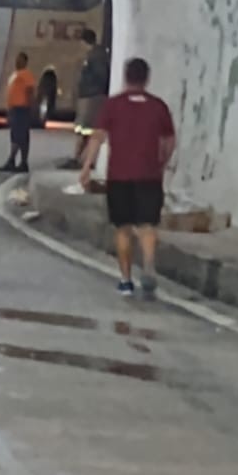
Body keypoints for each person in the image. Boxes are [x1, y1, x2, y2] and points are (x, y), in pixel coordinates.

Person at [80, 57, 176, 298]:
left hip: (120, 177)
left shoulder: (114, 106)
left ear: (125, 77)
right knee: (147, 225)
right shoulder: (158, 107)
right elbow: (169, 141)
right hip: (149, 176)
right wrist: (161, 163)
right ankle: (150, 265)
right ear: (147, 78)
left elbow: (97, 137)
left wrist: (86, 168)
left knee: (123, 229)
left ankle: (125, 280)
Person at [71, 29, 110, 167]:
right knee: (82, 129)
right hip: (87, 96)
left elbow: (101, 76)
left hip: (92, 97)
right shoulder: (93, 55)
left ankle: (83, 159)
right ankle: (78, 157)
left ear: (85, 41)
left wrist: (92, 88)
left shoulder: (96, 56)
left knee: (86, 128)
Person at [1, 52, 36, 173]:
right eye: (17, 59)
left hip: (22, 109)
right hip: (14, 109)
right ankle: (12, 160)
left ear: (25, 62)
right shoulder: (15, 75)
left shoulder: (26, 75)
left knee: (21, 136)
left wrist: (31, 107)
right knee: (16, 136)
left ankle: (22, 162)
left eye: (20, 60)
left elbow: (30, 91)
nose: (17, 62)